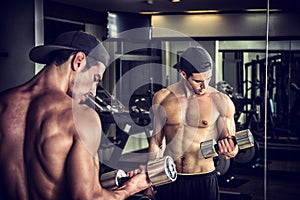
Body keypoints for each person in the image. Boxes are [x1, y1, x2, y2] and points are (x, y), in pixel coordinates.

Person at [0, 30, 150, 200]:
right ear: (78, 61)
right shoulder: (81, 117)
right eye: (95, 78)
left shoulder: (3, 104)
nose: (93, 91)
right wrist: (130, 189)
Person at [147, 46, 238, 200]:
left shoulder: (220, 101)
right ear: (183, 74)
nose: (204, 85)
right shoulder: (162, 98)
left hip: (202, 179)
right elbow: (157, 142)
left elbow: (230, 144)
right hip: (170, 178)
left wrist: (230, 150)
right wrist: (151, 179)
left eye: (208, 79)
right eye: (198, 81)